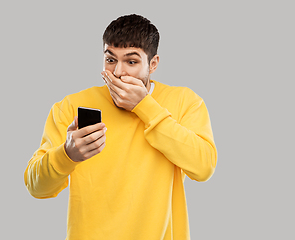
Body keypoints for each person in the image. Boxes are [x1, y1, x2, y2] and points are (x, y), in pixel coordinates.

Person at [24, 14, 217, 240]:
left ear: (152, 64)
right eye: (111, 59)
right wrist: (67, 154)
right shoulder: (71, 106)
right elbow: (36, 187)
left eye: (132, 61)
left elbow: (204, 168)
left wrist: (145, 106)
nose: (117, 72)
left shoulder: (185, 101)